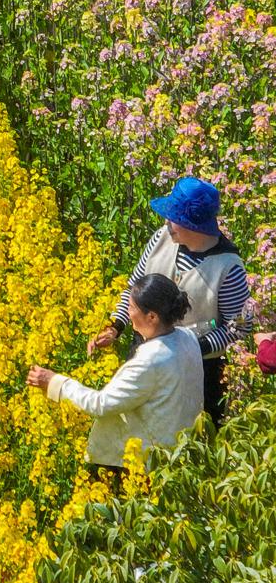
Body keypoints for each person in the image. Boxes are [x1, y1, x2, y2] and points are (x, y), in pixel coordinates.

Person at [86, 177, 249, 426]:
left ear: (194, 225)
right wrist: (115, 326)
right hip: (143, 358)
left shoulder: (229, 267)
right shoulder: (161, 238)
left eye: (174, 218)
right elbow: (134, 288)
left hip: (196, 373)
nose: (166, 222)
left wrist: (189, 348)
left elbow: (237, 328)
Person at [30, 275, 204, 482]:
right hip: (179, 454)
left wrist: (55, 382)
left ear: (152, 317)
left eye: (131, 308)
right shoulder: (188, 338)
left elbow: (101, 404)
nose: (128, 315)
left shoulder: (151, 360)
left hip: (142, 466)